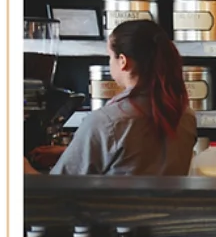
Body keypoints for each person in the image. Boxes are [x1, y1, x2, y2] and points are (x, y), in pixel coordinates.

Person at [25, 20, 196, 176]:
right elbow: (142, 159)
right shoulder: (184, 115)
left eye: (110, 56)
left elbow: (57, 192)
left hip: (114, 211)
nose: (109, 62)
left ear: (123, 61)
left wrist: (21, 168)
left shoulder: (107, 121)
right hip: (168, 210)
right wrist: (69, 152)